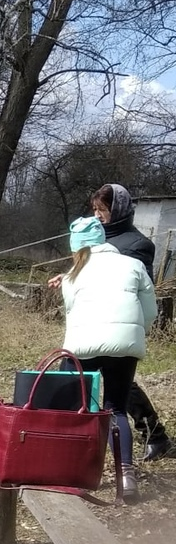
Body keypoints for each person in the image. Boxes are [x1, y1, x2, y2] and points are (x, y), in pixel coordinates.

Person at [55, 216, 157, 503]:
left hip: (83, 344)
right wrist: (132, 333)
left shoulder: (73, 273)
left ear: (77, 246)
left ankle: (74, 470)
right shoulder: (134, 265)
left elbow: (72, 312)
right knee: (116, 409)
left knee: (77, 407)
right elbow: (150, 312)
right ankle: (126, 476)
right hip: (125, 345)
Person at [94, 183, 171, 461]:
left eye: (102, 210)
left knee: (116, 384)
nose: (97, 215)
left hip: (118, 321)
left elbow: (141, 286)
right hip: (93, 319)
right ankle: (156, 437)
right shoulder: (95, 238)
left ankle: (152, 439)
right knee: (113, 381)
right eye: (95, 210)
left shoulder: (139, 244)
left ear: (118, 210)